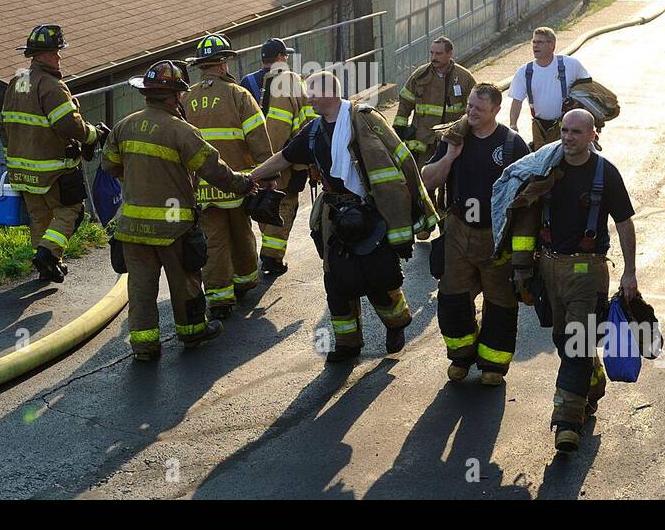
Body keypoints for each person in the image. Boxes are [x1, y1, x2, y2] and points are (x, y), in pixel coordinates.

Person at [248, 71, 437, 363]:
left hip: (370, 214)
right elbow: (285, 157)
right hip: (335, 216)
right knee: (336, 282)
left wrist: (401, 231)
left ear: (330, 94)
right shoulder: (312, 131)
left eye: (312, 92)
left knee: (379, 279)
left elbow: (399, 169)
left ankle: (397, 323)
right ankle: (348, 344)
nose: (308, 97)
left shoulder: (366, 120)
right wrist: (251, 177)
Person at [103, 59, 257, 360]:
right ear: (175, 96)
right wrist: (244, 184)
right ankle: (192, 333)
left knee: (141, 289)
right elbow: (214, 170)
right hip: (173, 227)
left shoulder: (124, 125)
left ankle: (144, 347)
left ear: (147, 93)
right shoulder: (182, 131)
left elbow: (110, 165)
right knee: (185, 282)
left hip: (132, 228)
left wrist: (140, 175)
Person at [507, 109, 638, 453]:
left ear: (593, 135)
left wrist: (629, 271)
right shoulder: (545, 166)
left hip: (587, 273)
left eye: (576, 132)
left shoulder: (605, 173)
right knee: (567, 341)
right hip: (549, 271)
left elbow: (624, 223)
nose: (567, 137)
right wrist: (522, 269)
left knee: (577, 343)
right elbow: (520, 213)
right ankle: (592, 379)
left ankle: (567, 422)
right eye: (564, 131)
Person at [420, 84, 529, 385]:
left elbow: (529, 195)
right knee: (452, 296)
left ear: (495, 109)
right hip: (458, 232)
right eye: (469, 106)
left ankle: (493, 364)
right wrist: (450, 156)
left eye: (478, 109)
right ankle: (461, 356)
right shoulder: (454, 138)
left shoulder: (512, 145)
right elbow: (427, 180)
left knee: (500, 302)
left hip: (496, 238)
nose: (471, 113)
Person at [0, 24, 107, 284]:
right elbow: (69, 124)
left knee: (40, 217)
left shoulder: (17, 82)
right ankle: (49, 253)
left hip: (21, 171)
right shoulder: (51, 86)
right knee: (72, 210)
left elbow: (4, 127)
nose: (59, 56)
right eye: (55, 51)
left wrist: (11, 157)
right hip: (52, 170)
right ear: (41, 55)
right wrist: (93, 135)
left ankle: (47, 265)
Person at [184, 34, 274, 318]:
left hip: (202, 188)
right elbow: (259, 138)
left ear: (201, 67)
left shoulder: (186, 98)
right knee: (241, 233)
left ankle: (220, 300)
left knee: (214, 241)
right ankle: (245, 282)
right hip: (239, 184)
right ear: (223, 64)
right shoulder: (239, 95)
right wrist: (268, 174)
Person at [251, 38, 314, 278]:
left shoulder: (256, 81)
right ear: (281, 57)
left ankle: (270, 252)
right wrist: (271, 165)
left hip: (270, 157)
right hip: (286, 158)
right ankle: (272, 257)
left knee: (268, 202)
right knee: (285, 203)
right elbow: (279, 125)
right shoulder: (286, 80)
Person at [393, 36, 476, 168]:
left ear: (449, 54)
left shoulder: (464, 77)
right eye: (432, 53)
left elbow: (475, 106)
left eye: (438, 53)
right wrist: (399, 128)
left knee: (452, 179)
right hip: (423, 141)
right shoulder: (419, 75)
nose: (433, 57)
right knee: (424, 180)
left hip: (452, 139)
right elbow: (405, 102)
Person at [507, 27, 591, 150]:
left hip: (566, 126)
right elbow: (517, 101)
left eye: (540, 42)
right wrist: (513, 124)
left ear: (552, 45)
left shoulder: (570, 65)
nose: (535, 46)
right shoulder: (525, 71)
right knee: (541, 162)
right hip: (539, 127)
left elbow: (588, 87)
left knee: (568, 159)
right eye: (534, 42)